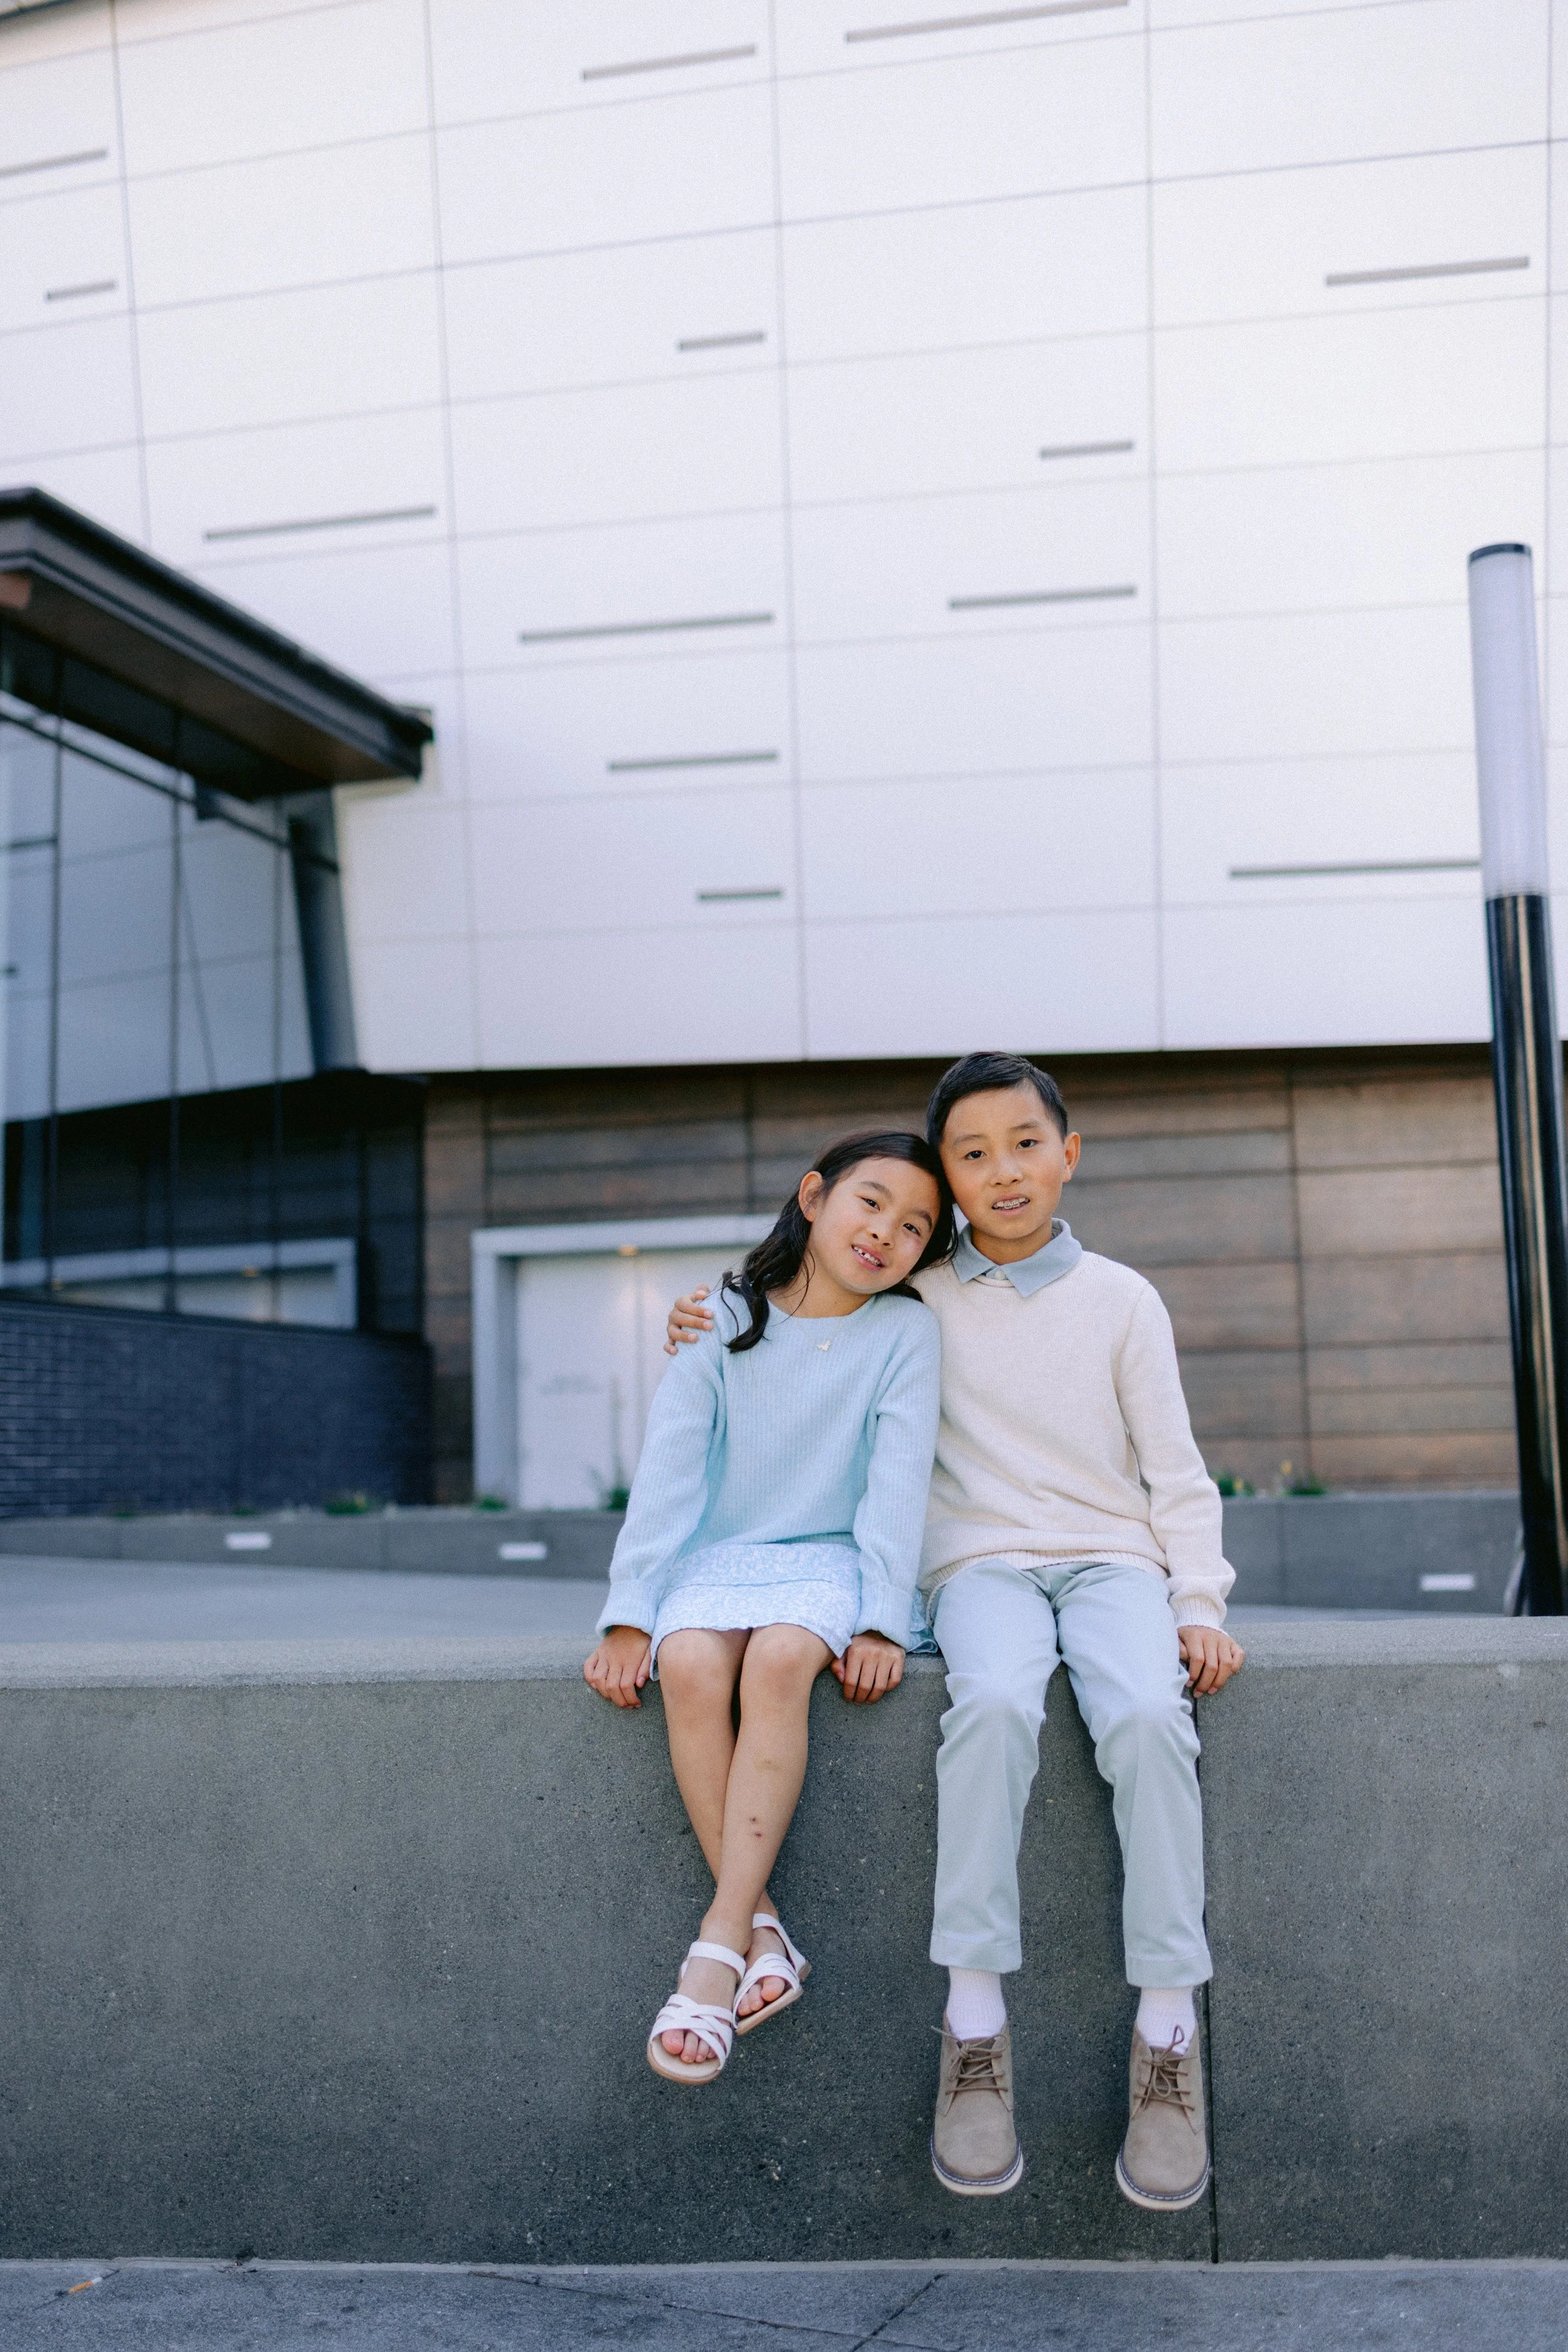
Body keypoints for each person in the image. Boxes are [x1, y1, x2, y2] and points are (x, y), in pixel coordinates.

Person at [665, 1053, 1244, 2202]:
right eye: (971, 1155)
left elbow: (1177, 1474)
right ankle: (973, 2024)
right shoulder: (914, 1294)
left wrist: (1198, 1602)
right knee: (987, 1706)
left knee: (1143, 1713)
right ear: (950, 1179)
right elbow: (806, 1301)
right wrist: (708, 1306)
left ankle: (1169, 2035)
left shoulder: (1124, 1299)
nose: (1003, 1171)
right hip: (977, 1569)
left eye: (1026, 1143)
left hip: (1116, 1563)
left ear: (1068, 1154)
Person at [584, 1130, 950, 2086]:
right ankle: (767, 1934)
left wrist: (879, 1617)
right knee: (694, 1663)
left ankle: (717, 1943)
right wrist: (631, 1608)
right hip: (720, 1554)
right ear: (815, 1195)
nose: (886, 1233)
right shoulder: (722, 1315)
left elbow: (896, 1487)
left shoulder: (905, 1333)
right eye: (870, 1202)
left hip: (829, 1558)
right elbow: (669, 1469)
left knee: (784, 1656)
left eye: (915, 1226)